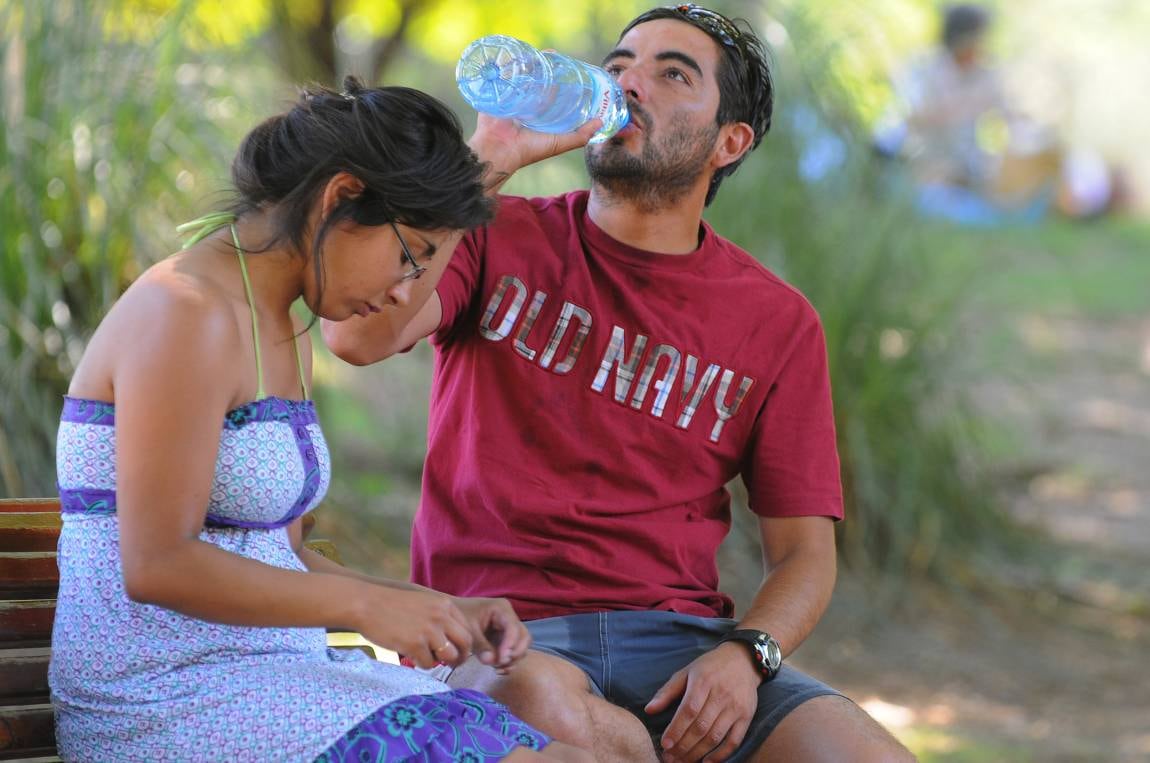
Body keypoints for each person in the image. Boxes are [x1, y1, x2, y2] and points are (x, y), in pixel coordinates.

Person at [324, 5, 915, 761]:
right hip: (504, 633)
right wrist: (490, 157)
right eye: (619, 64)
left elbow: (805, 554)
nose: (631, 82)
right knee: (548, 707)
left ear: (728, 141)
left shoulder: (778, 321)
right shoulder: (491, 230)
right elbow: (356, 334)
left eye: (673, 73)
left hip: (681, 646)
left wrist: (747, 656)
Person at [50, 77, 593, 763]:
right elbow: (158, 562)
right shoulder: (186, 312)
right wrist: (362, 609)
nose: (403, 291)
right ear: (340, 198)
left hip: (268, 675)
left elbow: (277, 553)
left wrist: (432, 604)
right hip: (162, 697)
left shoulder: (279, 322)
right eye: (408, 255)